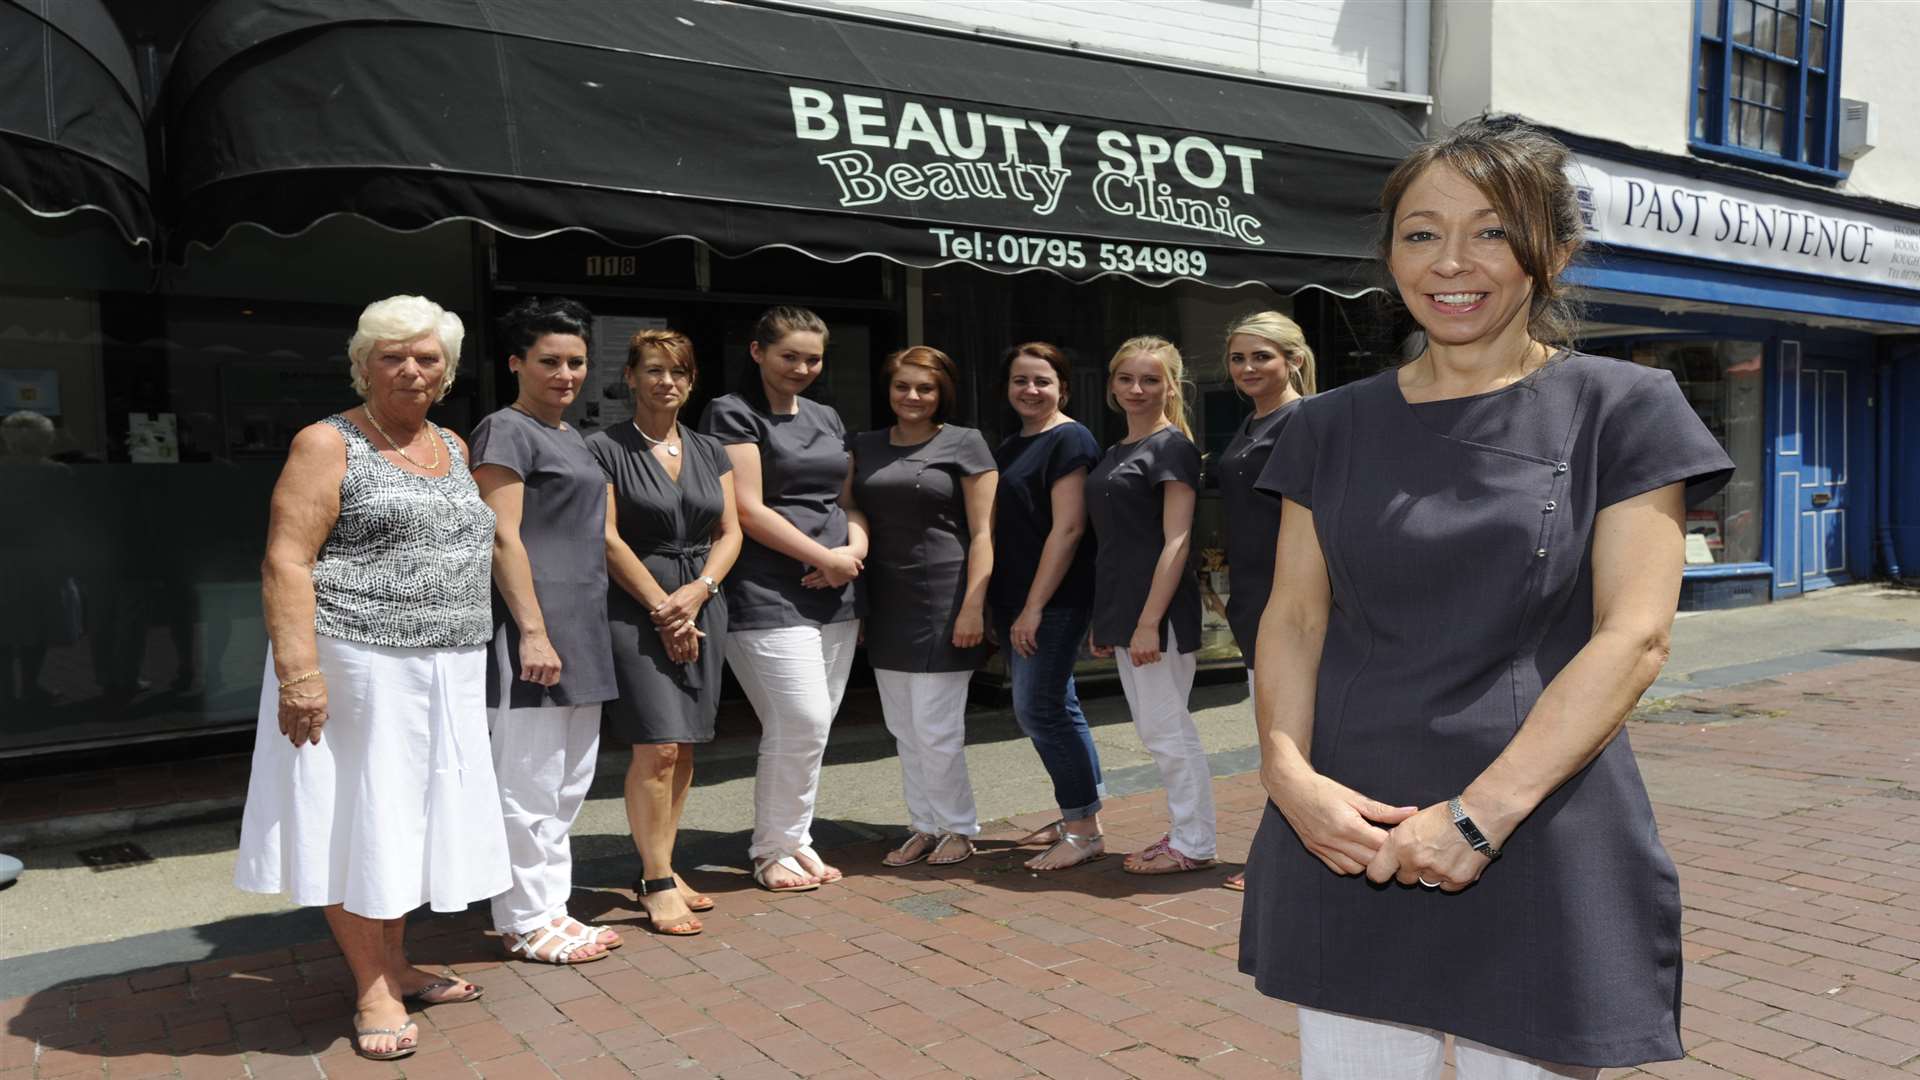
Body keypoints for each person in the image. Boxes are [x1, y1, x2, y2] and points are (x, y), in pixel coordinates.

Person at [1238, 120, 1733, 1078]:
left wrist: (1478, 817)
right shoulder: (1328, 428)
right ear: (1389, 255)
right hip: (1350, 829)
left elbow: (1634, 635)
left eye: (1493, 230)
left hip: (1537, 825)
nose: (1452, 262)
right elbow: (1295, 617)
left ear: (1554, 251)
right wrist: (1286, 775)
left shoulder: (1622, 407)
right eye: (1422, 233)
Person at [235, 295, 505, 1062]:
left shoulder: (451, 444)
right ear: (364, 365)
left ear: (446, 371)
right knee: (355, 818)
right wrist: (299, 674)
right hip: (357, 664)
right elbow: (287, 559)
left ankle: (398, 962)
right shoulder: (327, 443)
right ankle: (373, 988)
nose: (411, 369)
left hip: (445, 667)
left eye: (427, 357)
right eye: (393, 356)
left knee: (410, 819)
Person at [470, 297, 620, 965]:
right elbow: (502, 537)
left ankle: (550, 907)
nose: (565, 374)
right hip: (532, 627)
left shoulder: (575, 436)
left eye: (577, 362)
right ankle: (525, 918)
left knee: (568, 782)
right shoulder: (504, 430)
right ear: (516, 364)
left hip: (584, 624)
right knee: (525, 782)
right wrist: (531, 630)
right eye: (550, 361)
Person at [699, 306, 865, 892]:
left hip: (835, 589)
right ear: (757, 353)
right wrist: (825, 558)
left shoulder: (825, 414)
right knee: (802, 717)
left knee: (809, 730)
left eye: (811, 358)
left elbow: (846, 501)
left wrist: (852, 555)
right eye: (787, 355)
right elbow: (746, 507)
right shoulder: (732, 412)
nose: (800, 367)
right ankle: (772, 848)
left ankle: (796, 839)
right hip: (766, 590)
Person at [586, 329, 740, 935]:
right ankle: (654, 881)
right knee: (657, 745)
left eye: (677, 372)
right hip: (635, 604)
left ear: (691, 380)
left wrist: (699, 593)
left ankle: (666, 864)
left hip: (703, 601)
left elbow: (730, 530)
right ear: (629, 376)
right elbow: (604, 536)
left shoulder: (711, 448)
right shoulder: (603, 448)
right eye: (652, 370)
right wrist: (663, 608)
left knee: (685, 747)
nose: (666, 382)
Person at [845, 346, 997, 867]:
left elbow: (983, 533)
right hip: (887, 600)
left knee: (937, 728)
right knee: (903, 728)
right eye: (902, 386)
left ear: (942, 393)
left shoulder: (965, 443)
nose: (912, 397)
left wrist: (973, 606)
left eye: (924, 388)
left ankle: (957, 826)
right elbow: (849, 510)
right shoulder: (863, 445)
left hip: (945, 597)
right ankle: (923, 824)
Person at [1086, 336, 1216, 875]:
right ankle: (1186, 833)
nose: (1136, 390)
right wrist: (1108, 619)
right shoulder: (1115, 451)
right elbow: (1113, 544)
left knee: (1167, 731)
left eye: (1150, 380)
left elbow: (1177, 542)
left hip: (1155, 616)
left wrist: (1147, 622)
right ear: (1112, 384)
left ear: (1170, 385)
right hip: (1124, 612)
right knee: (1156, 731)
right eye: (1126, 379)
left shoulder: (1172, 448)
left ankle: (1194, 842)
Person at [990, 343, 1108, 871]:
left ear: (1063, 386)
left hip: (1054, 599)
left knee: (1038, 710)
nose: (1030, 390)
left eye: (1041, 380)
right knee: (1058, 707)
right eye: (1020, 380)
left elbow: (1069, 528)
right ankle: (1078, 814)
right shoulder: (1013, 444)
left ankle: (1084, 831)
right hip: (1018, 597)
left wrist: (1034, 607)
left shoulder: (1070, 438)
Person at [1214, 312, 1315, 892]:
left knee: (1288, 730)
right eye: (1238, 358)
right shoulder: (1250, 424)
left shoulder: (1305, 420)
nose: (1248, 368)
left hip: (1292, 599)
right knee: (1276, 726)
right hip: (1252, 596)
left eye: (1261, 357)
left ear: (1293, 360)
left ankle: (1285, 853)